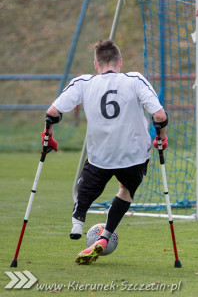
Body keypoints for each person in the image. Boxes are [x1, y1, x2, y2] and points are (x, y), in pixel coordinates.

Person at [43, 39, 169, 265]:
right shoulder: (135, 79)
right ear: (120, 62)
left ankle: (78, 221)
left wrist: (48, 136)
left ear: (96, 64)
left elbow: (52, 112)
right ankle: (106, 235)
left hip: (101, 157)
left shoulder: (84, 82)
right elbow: (159, 116)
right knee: (126, 190)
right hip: (134, 155)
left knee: (87, 187)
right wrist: (161, 138)